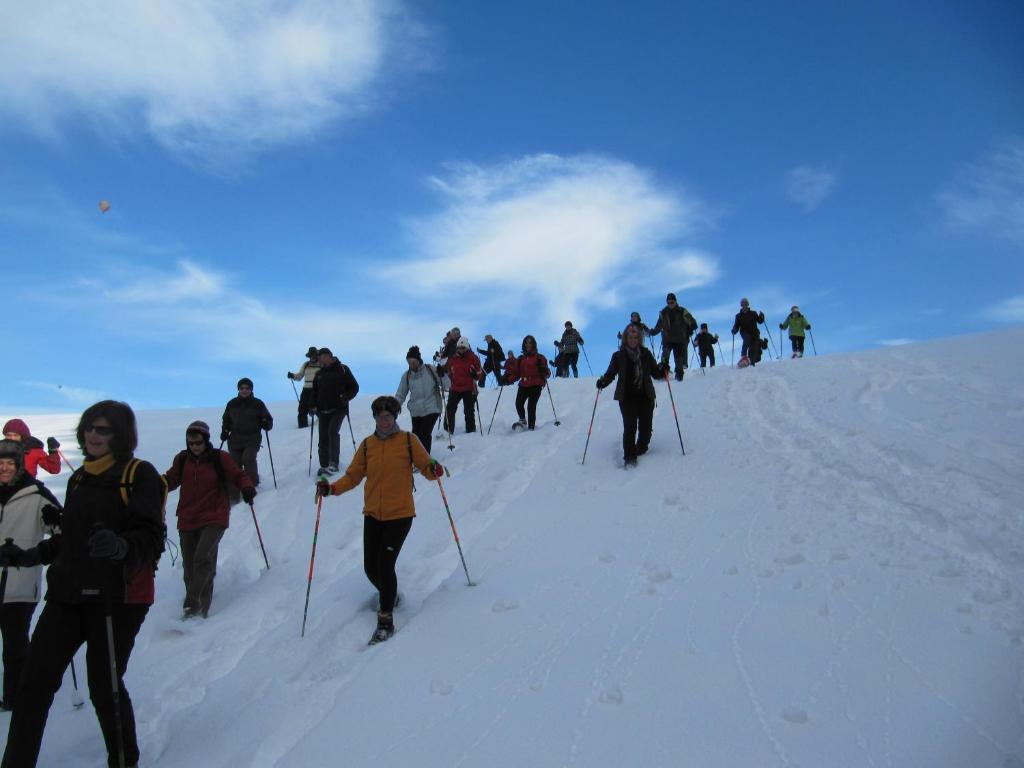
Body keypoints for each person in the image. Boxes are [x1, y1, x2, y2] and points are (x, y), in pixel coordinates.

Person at [0, 400, 165, 768]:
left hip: (116, 597)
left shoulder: (138, 474)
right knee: (33, 685)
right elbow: (68, 539)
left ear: (120, 434)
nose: (93, 434)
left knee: (104, 688)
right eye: (90, 427)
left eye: (103, 429)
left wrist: (121, 545)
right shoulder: (79, 478)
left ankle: (123, 762)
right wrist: (30, 555)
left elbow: (151, 535)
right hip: (68, 594)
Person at [315, 396, 445, 645]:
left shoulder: (408, 440)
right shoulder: (367, 445)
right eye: (379, 417)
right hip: (373, 514)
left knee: (385, 565)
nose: (383, 421)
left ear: (395, 417)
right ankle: (390, 593)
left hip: (401, 514)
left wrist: (433, 470)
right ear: (374, 418)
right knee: (370, 568)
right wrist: (331, 489)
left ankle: (385, 618)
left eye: (387, 417)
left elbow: (425, 465)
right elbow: (353, 476)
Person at [163, 421, 255, 619]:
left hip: (215, 516)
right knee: (189, 565)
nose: (195, 446)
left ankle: (193, 606)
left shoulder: (219, 458)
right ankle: (199, 606)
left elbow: (238, 475)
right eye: (191, 443)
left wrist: (247, 487)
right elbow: (170, 480)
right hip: (187, 518)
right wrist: (152, 485)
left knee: (202, 556)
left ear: (206, 440)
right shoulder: (182, 460)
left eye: (198, 442)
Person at [0, 440, 60, 712]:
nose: (4, 469)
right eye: (0, 464)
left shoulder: (36, 494)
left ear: (19, 465)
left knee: (15, 646)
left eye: (9, 464)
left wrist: (39, 554)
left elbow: (63, 530)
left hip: (20, 582)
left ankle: (15, 700)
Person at [596, 325, 662, 467]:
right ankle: (630, 457)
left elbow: (656, 373)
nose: (633, 340)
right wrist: (603, 382)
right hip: (627, 397)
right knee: (630, 428)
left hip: (646, 396)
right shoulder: (618, 356)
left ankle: (642, 447)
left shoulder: (646, 353)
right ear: (625, 339)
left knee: (645, 429)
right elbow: (610, 374)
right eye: (630, 337)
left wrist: (663, 369)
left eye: (636, 337)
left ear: (640, 339)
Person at [220, 378, 273, 497]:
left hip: (252, 439)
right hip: (234, 440)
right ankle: (233, 494)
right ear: (238, 389)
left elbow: (268, 419)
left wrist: (266, 424)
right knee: (234, 463)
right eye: (242, 388)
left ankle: (251, 485)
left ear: (251, 389)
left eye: (247, 388)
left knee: (248, 458)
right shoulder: (232, 403)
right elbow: (226, 420)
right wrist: (225, 431)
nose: (244, 390)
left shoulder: (258, 404)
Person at [311, 348, 360, 473]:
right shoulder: (319, 374)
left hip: (339, 408)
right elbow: (314, 393)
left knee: (332, 431)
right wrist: (312, 406)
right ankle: (324, 464)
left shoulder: (342, 369)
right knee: (323, 437)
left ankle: (333, 463)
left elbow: (354, 387)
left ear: (328, 356)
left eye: (321, 357)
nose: (320, 360)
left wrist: (345, 397)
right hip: (323, 410)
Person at [394, 346, 443, 453]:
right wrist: (394, 407)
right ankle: (417, 459)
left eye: (413, 361)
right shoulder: (407, 376)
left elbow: (447, 385)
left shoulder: (430, 370)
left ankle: (425, 461)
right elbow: (400, 394)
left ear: (418, 360)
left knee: (425, 433)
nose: (411, 364)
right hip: (416, 411)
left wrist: (443, 374)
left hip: (432, 407)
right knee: (415, 436)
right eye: (409, 362)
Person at [503, 335, 551, 431]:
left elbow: (547, 373)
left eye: (530, 342)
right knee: (518, 403)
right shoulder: (520, 359)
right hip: (524, 384)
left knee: (531, 406)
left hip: (536, 384)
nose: (528, 344)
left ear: (533, 344)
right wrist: (507, 380)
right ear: (523, 345)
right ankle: (523, 420)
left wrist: (544, 371)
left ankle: (531, 428)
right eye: (526, 342)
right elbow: (516, 373)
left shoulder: (540, 358)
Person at [650, 293, 698, 381]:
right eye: (668, 302)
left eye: (672, 302)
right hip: (667, 339)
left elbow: (691, 320)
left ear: (675, 301)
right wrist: (653, 332)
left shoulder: (682, 311)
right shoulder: (663, 313)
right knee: (665, 355)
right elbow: (658, 326)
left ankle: (679, 375)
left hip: (679, 339)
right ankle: (664, 372)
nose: (670, 304)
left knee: (678, 358)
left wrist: (693, 325)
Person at [442, 337, 484, 435]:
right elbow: (449, 372)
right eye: (459, 347)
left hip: (469, 388)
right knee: (450, 409)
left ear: (467, 347)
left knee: (468, 410)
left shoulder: (473, 358)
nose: (461, 349)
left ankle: (470, 431)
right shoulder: (453, 359)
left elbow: (479, 373)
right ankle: (447, 431)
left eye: (463, 347)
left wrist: (475, 375)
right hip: (455, 387)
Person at [287, 346, 321, 428]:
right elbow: (300, 376)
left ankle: (322, 424)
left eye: (313, 355)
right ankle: (302, 427)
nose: (312, 357)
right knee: (302, 409)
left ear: (317, 355)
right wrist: (293, 376)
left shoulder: (321, 364)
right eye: (310, 356)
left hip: (317, 390)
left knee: (317, 408)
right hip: (306, 390)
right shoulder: (306, 365)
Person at [731, 297, 765, 363]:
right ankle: (743, 356)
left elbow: (760, 321)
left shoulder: (753, 313)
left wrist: (762, 316)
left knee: (753, 349)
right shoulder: (738, 316)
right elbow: (736, 325)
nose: (744, 305)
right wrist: (734, 330)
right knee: (747, 338)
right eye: (743, 304)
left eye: (745, 304)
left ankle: (751, 363)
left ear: (747, 304)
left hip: (754, 333)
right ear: (741, 305)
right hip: (744, 332)